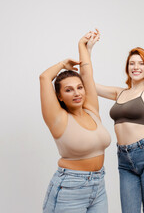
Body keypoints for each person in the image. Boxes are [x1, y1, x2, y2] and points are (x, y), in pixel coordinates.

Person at [95, 6, 144, 213]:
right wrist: (87, 49)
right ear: (127, 67)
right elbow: (90, 85)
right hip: (124, 157)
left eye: (140, 63)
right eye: (131, 63)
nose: (135, 67)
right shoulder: (120, 93)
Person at [40, 29, 111, 212]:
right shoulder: (58, 119)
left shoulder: (91, 110)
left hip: (98, 186)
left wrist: (82, 46)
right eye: (69, 90)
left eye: (79, 88)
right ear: (60, 96)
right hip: (70, 188)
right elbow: (45, 77)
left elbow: (87, 75)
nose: (77, 92)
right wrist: (63, 64)